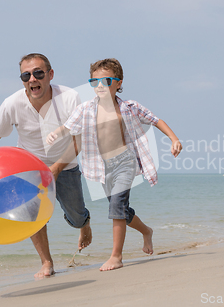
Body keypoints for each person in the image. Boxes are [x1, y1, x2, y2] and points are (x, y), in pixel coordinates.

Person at [47, 58, 182, 271]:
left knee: (116, 206)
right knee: (121, 210)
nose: (100, 86)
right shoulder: (86, 109)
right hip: (103, 167)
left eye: (106, 81)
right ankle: (147, 231)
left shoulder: (129, 107)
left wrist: (174, 139)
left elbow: (156, 120)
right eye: (95, 82)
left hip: (125, 163)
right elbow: (69, 125)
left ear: (118, 83)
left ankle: (116, 256)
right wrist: (56, 133)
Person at [0, 53, 92, 278]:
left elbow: (81, 140)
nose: (32, 79)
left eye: (38, 73)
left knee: (75, 215)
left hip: (65, 164)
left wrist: (57, 168)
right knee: (32, 214)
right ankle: (46, 262)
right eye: (26, 75)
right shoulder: (12, 103)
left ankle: (84, 224)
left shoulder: (69, 98)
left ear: (50, 75)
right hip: (29, 167)